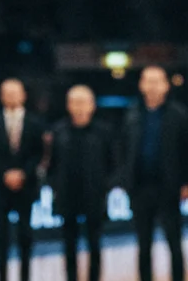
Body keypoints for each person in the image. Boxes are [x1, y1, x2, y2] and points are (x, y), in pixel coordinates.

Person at [123, 66, 188, 281]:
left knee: (174, 242)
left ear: (166, 85)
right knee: (143, 244)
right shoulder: (132, 114)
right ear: (141, 85)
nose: (153, 86)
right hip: (140, 187)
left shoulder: (179, 114)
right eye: (148, 81)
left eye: (157, 81)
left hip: (169, 187)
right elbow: (124, 148)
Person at [48, 85, 116, 281]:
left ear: (92, 105)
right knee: (69, 245)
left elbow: (113, 163)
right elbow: (51, 165)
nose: (79, 107)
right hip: (67, 196)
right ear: (68, 105)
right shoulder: (58, 131)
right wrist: (55, 186)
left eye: (83, 102)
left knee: (95, 244)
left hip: (94, 196)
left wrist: (106, 186)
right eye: (75, 103)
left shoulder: (104, 131)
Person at [0, 78, 46, 281]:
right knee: (1, 238)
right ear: (1, 97)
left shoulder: (35, 122)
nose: (11, 97)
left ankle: (25, 276)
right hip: (0, 187)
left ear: (23, 96)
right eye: (7, 93)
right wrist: (6, 173)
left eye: (15, 93)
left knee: (25, 237)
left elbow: (39, 153)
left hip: (26, 186)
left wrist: (23, 173)